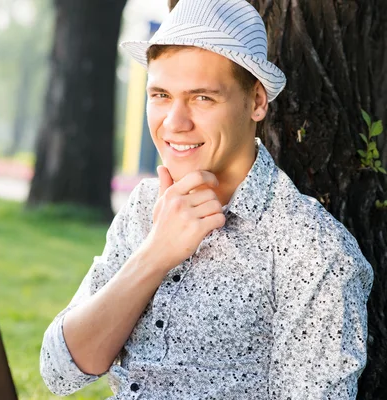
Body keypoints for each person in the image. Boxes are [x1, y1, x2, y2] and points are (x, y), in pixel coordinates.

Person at [40, 0, 373, 398]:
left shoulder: (313, 250)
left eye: (202, 98)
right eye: (161, 95)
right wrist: (156, 253)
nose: (174, 123)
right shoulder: (146, 205)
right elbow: (60, 373)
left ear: (256, 102)